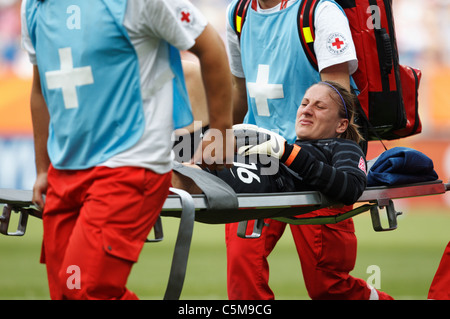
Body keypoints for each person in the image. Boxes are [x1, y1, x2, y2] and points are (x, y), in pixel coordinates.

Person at [21, 0, 233, 300]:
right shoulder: (33, 7)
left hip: (131, 164)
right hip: (64, 173)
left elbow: (209, 46)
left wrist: (221, 131)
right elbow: (41, 88)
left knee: (84, 290)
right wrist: (43, 169)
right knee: (68, 292)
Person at [224, 0, 385, 299]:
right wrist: (221, 142)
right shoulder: (238, 14)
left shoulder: (320, 13)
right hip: (255, 167)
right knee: (242, 279)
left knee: (329, 288)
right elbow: (239, 90)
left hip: (311, 166)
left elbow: (340, 102)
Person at [173, 81, 394, 299]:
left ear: (341, 125)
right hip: (213, 174)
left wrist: (287, 152)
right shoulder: (277, 145)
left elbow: (350, 188)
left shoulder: (341, 147)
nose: (307, 110)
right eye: (305, 103)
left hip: (221, 183)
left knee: (329, 287)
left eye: (319, 106)